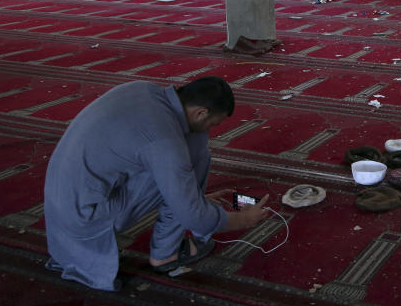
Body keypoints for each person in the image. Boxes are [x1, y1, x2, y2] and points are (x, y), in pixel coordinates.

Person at [43, 76, 269, 291]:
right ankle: (165, 254)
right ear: (201, 112)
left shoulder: (142, 89)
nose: (211, 129)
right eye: (213, 123)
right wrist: (242, 219)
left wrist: (194, 198)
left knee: (187, 155)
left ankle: (180, 218)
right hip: (83, 217)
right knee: (187, 161)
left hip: (62, 200)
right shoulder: (164, 141)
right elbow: (191, 215)